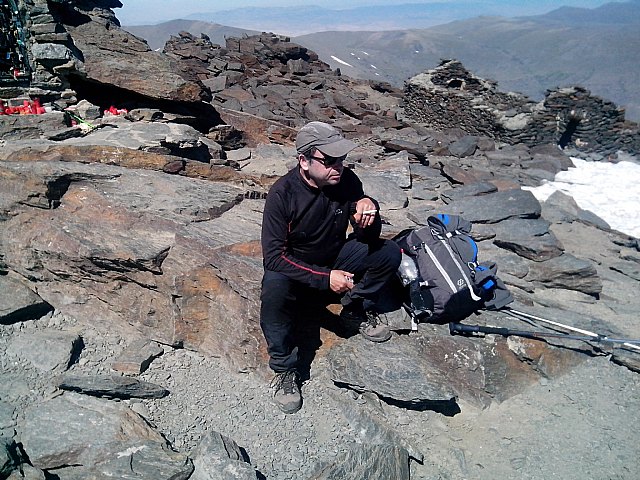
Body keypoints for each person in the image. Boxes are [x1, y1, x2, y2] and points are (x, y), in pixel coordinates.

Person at [260, 121, 402, 413]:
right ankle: (285, 368)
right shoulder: (282, 194)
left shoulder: (346, 181)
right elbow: (274, 257)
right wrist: (325, 278)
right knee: (273, 287)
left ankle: (354, 307)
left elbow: (366, 238)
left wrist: (369, 209)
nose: (338, 166)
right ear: (304, 160)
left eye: (341, 159)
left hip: (335, 261)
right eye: (329, 161)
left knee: (387, 252)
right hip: (298, 274)